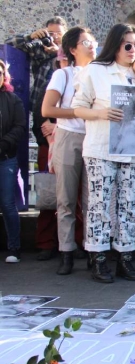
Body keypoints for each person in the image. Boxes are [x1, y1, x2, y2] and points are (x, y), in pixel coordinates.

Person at [72, 23, 135, 283]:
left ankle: (125, 257)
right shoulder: (96, 71)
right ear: (115, 45)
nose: (133, 50)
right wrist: (100, 113)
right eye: (128, 45)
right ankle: (98, 257)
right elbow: (78, 108)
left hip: (133, 150)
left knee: (128, 204)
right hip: (101, 148)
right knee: (99, 204)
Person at [6, 16, 68, 261]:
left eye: (58, 34)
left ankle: (73, 243)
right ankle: (46, 242)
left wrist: (59, 52)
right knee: (47, 186)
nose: (53, 38)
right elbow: (10, 44)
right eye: (49, 33)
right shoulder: (39, 52)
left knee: (73, 191)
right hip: (43, 122)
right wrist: (33, 37)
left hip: (70, 123)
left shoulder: (70, 58)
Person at [41, 27, 97, 274]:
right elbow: (47, 110)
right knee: (65, 198)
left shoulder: (101, 73)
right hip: (69, 136)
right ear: (73, 49)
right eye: (85, 42)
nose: (91, 45)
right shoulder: (63, 75)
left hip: (95, 138)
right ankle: (66, 251)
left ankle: (93, 250)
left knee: (92, 200)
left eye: (93, 41)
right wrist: (78, 112)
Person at [0, 60, 26, 263]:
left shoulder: (12, 100)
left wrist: (3, 144)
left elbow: (19, 126)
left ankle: (14, 248)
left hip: (5, 158)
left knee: (8, 204)